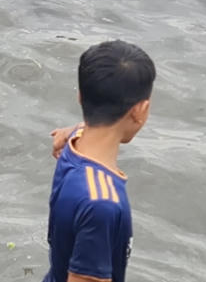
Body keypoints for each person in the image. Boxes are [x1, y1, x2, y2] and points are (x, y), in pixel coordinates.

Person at [43, 40, 156, 282]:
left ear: (81, 96)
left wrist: (73, 128)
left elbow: (88, 128)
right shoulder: (102, 204)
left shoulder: (73, 143)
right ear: (140, 110)